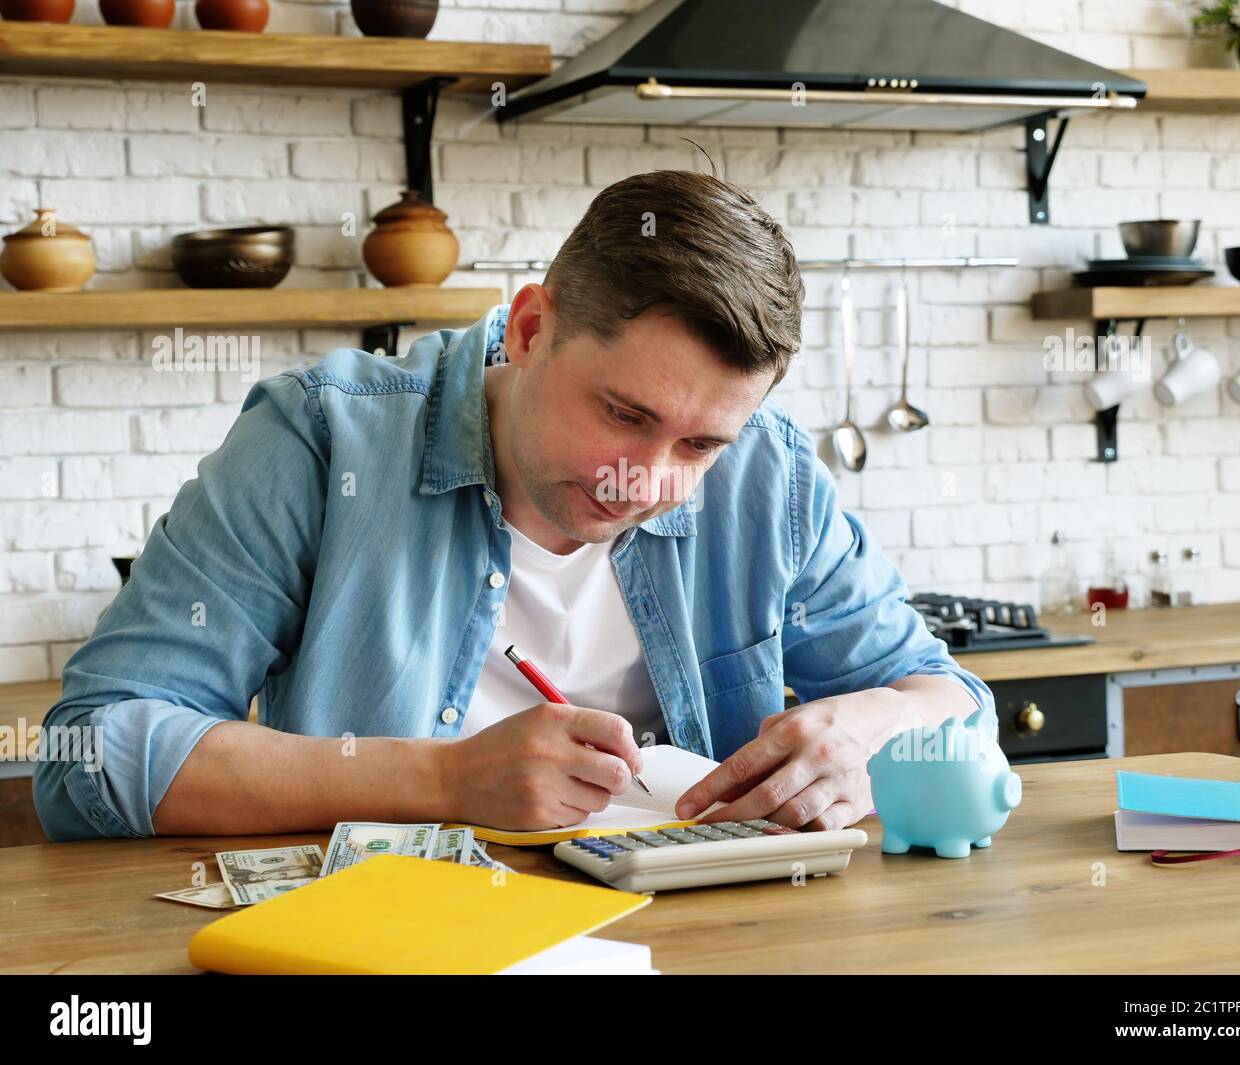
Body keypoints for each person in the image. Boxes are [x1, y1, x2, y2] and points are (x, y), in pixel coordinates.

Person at [33, 169, 993, 842]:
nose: (646, 482)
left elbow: (954, 704)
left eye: (700, 445)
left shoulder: (771, 475)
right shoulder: (323, 438)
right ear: (530, 328)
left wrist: (864, 731)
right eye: (624, 413)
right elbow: (90, 752)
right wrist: (443, 781)